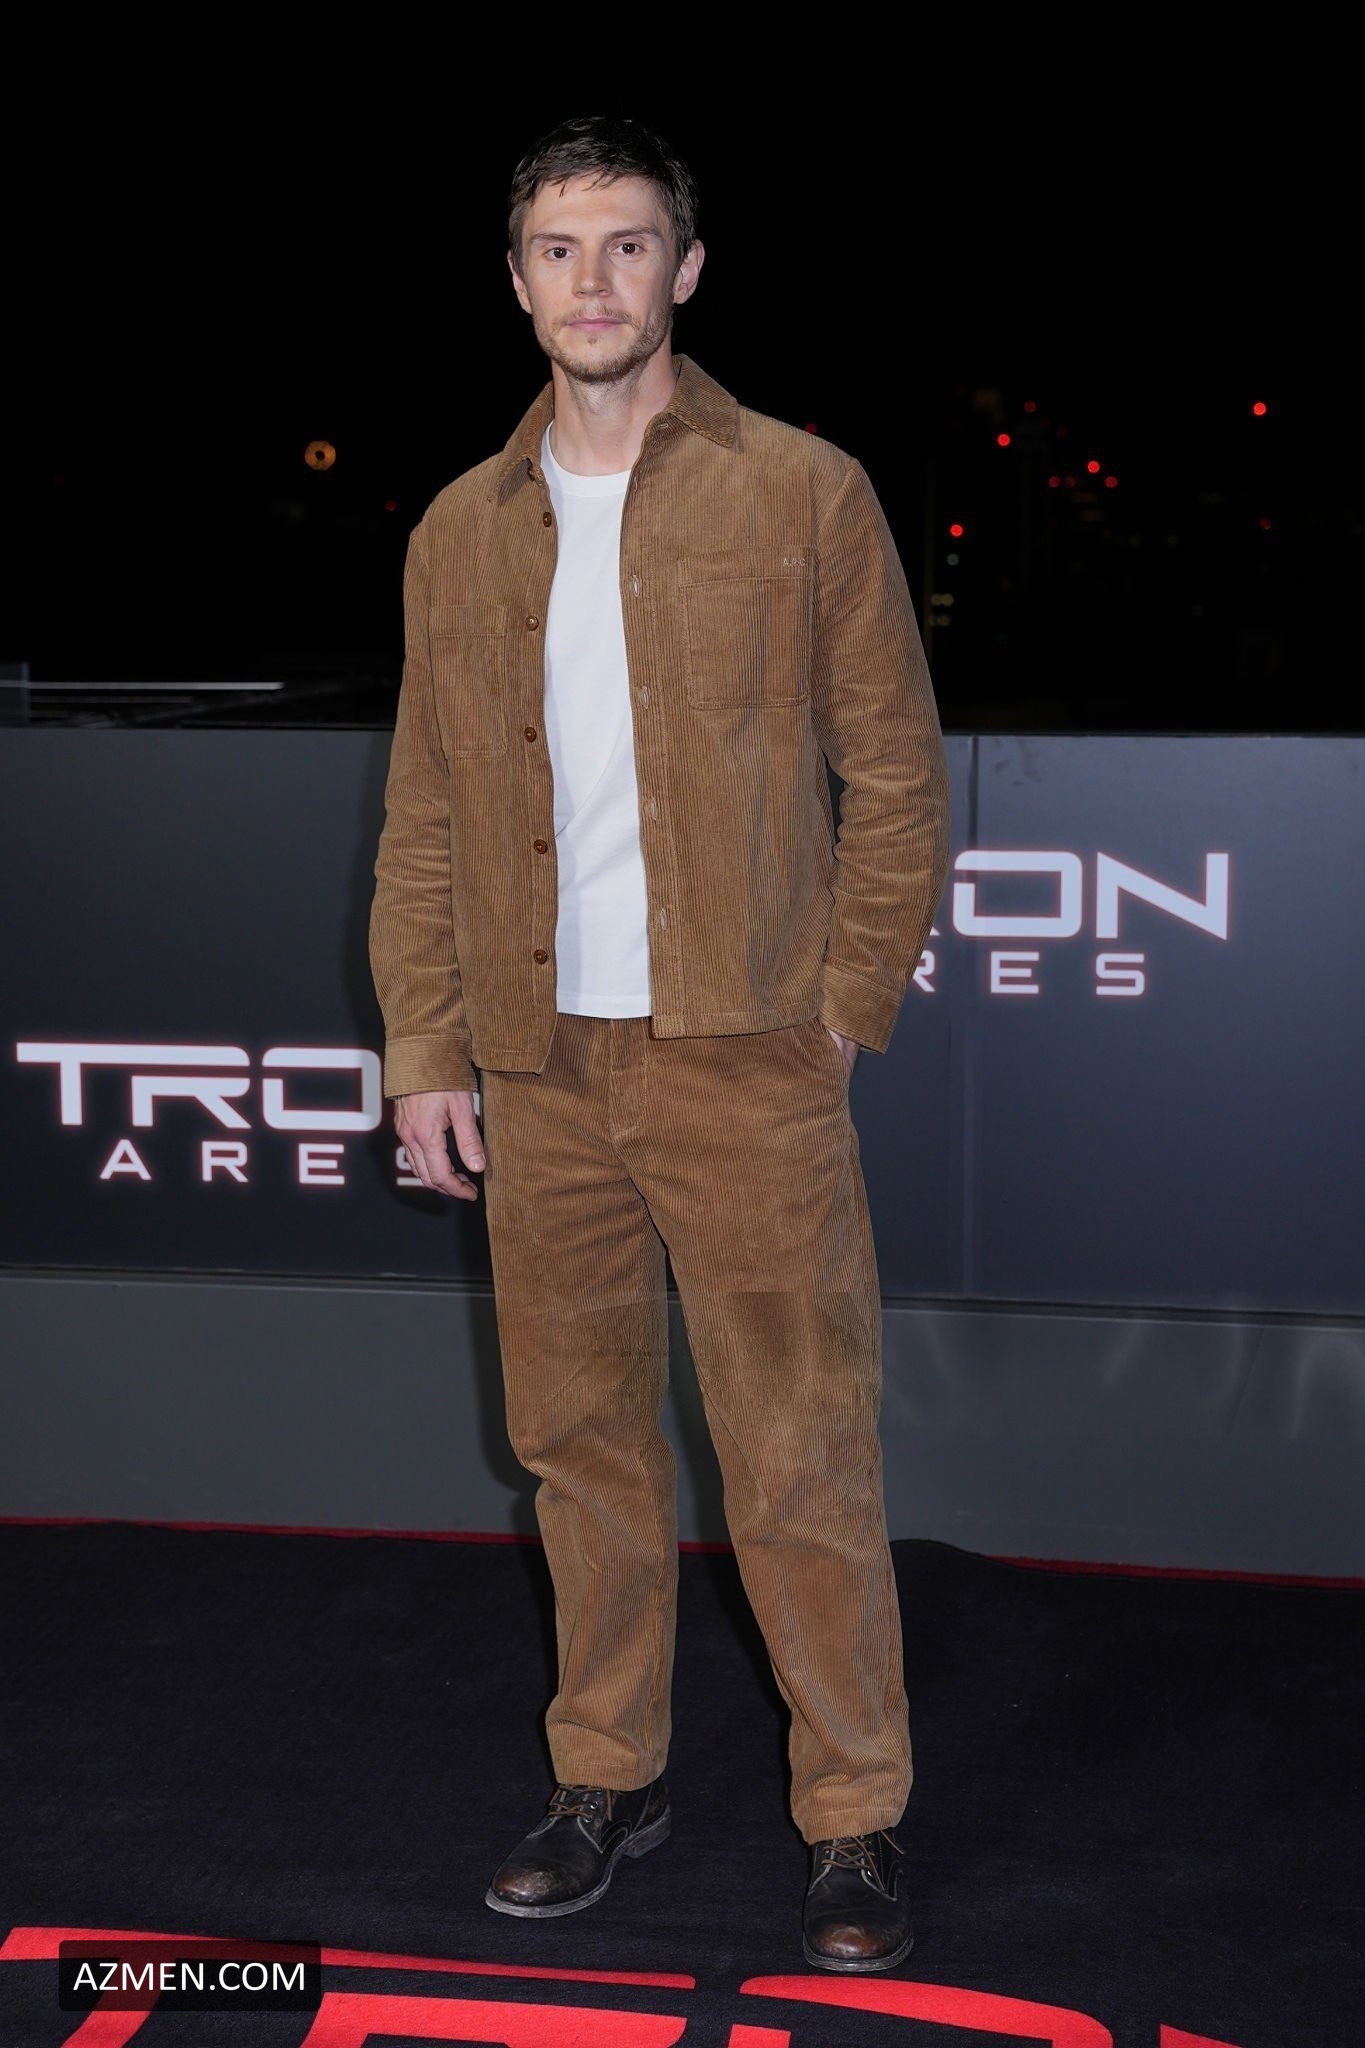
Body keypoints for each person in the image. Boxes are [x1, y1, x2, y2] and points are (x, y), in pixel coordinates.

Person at [368, 111, 950, 1973]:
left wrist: (839, 1014)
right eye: (558, 249)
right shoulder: (459, 530)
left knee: (798, 1457)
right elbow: (425, 814)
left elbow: (896, 778)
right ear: (517, 281)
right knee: (581, 1454)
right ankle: (603, 1776)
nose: (593, 280)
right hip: (537, 1068)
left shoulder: (803, 491)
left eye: (627, 245)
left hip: (743, 1061)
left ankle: (852, 1814)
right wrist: (425, 1049)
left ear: (684, 270)